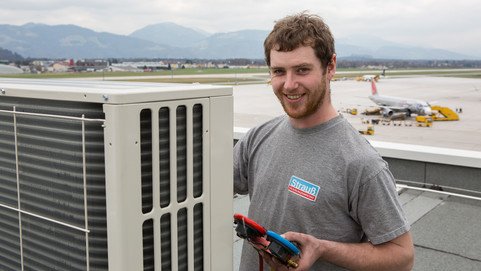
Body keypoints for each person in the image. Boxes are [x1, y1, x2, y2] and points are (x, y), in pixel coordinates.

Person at [233, 12, 414, 271]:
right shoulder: (258, 138)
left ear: (330, 67)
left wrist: (323, 249)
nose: (289, 84)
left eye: (302, 70)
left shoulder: (361, 163)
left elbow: (402, 257)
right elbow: (203, 187)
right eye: (279, 71)